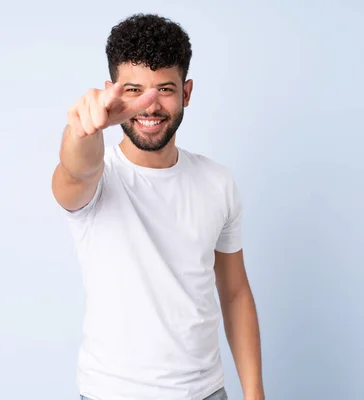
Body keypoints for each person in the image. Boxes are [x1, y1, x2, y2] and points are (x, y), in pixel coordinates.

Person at [52, 13, 265, 400]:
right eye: (134, 90)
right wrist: (82, 129)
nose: (149, 106)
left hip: (205, 392)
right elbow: (75, 170)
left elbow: (234, 292)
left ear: (186, 92)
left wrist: (255, 394)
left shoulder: (218, 182)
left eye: (164, 89)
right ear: (111, 91)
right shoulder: (99, 178)